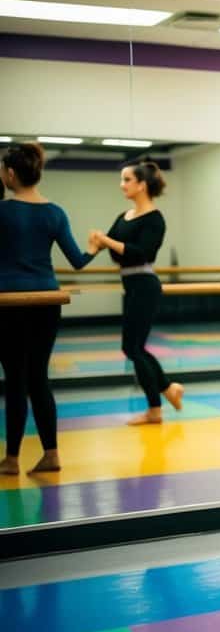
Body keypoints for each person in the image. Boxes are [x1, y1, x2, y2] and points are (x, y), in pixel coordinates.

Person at [0, 141, 97, 475]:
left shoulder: (2, 211)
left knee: (15, 379)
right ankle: (51, 454)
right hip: (46, 302)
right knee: (38, 377)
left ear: (10, 174)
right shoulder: (55, 212)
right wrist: (94, 248)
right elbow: (78, 261)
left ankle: (12, 459)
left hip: (9, 304)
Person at [89, 160, 183, 425]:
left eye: (127, 179)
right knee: (134, 346)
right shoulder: (123, 217)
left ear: (142, 185)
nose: (122, 184)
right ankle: (166, 391)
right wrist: (91, 249)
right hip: (130, 284)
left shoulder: (155, 219)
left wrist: (107, 241)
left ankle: (157, 405)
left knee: (131, 346)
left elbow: (143, 252)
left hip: (144, 285)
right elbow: (112, 248)